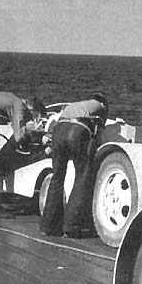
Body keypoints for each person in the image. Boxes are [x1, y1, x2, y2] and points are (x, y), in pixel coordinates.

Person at [40, 93, 108, 238]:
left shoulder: (76, 105)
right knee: (81, 178)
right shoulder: (100, 107)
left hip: (59, 132)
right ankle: (71, 226)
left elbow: (54, 124)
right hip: (76, 132)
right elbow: (99, 134)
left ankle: (48, 226)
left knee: (57, 178)